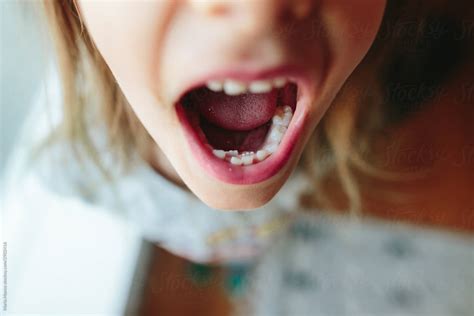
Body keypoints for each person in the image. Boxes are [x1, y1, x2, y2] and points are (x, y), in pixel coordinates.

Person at [3, 0, 473, 315]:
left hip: (260, 234)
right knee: (212, 248)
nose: (256, 10)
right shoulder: (76, 170)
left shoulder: (340, 133)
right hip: (187, 238)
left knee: (247, 243)